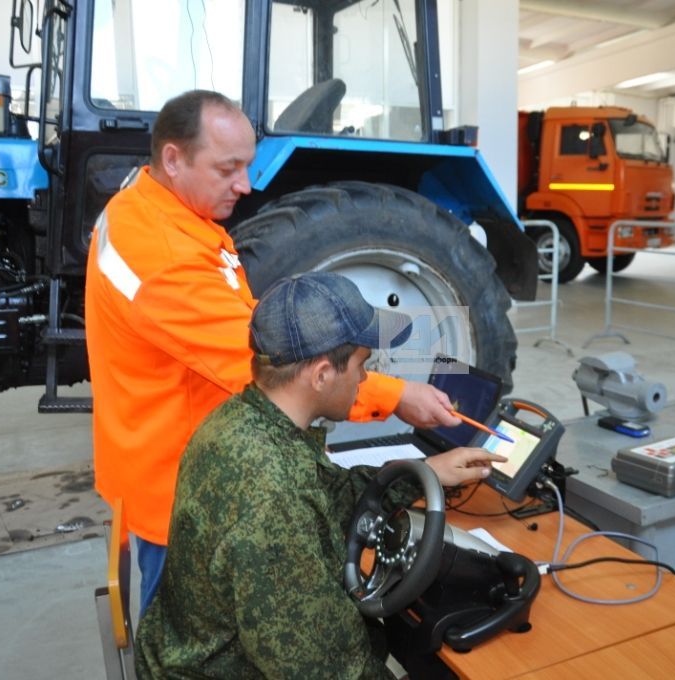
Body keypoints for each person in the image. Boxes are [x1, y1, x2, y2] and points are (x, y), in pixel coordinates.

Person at [84, 90, 461, 614]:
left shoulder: (154, 208)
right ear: (173, 159)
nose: (246, 184)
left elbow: (238, 320)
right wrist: (394, 393)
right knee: (181, 643)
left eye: (247, 165)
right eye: (228, 168)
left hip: (161, 454)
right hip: (179, 489)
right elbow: (268, 368)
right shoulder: (163, 257)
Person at [135, 272, 504, 679]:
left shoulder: (243, 421)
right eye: (363, 365)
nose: (365, 379)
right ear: (322, 374)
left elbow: (328, 495)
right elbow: (322, 669)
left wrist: (425, 474)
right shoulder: (269, 497)